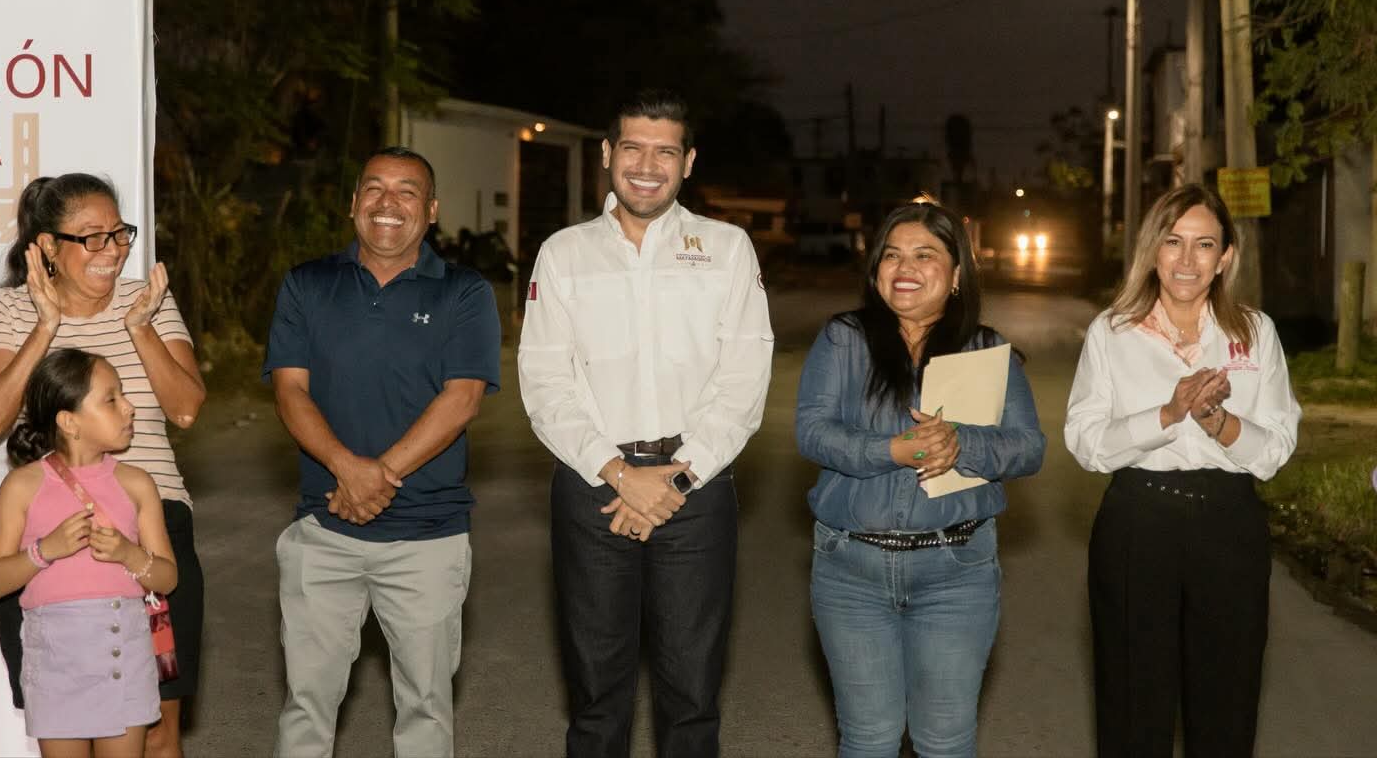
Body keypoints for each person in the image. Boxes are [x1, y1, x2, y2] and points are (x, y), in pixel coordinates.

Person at [518, 90, 774, 758]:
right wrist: (619, 474)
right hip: (592, 489)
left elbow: (743, 380)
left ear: (687, 162)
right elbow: (545, 382)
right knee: (596, 695)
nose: (647, 165)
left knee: (691, 697)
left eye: (665, 151)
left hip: (696, 489)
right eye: (632, 147)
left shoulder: (727, 248)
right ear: (608, 154)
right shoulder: (564, 253)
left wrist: (673, 481)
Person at [263, 145, 501, 758]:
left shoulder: (464, 292)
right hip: (323, 530)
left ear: (431, 210)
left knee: (425, 709)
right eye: (374, 188)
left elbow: (462, 399)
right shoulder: (307, 284)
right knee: (306, 706)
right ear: (353, 203)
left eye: (406, 191)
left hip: (428, 538)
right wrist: (348, 470)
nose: (387, 203)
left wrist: (378, 476)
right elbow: (290, 392)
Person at [795, 199, 1045, 758]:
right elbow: (812, 433)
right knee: (868, 739)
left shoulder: (986, 350)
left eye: (924, 255)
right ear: (876, 269)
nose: (904, 267)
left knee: (945, 742)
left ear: (956, 275)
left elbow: (1029, 448)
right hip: (850, 571)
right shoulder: (844, 339)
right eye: (892, 255)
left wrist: (963, 444)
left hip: (956, 573)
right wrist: (893, 450)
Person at [0, 173, 206, 758]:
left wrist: (139, 327)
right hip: (51, 537)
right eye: (91, 236)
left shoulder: (146, 300)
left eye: (119, 234)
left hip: (149, 524)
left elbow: (185, 408)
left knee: (157, 729)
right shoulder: (11, 308)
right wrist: (45, 326)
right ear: (49, 247)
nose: (112, 250)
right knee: (65, 722)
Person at [1065, 183, 1301, 756]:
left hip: (1228, 523)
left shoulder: (1254, 332)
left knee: (1227, 705)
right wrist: (1167, 414)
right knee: (1133, 705)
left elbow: (1274, 451)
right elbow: (1086, 443)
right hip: (1137, 520)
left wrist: (1217, 421)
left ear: (1225, 257)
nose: (1187, 260)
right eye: (1173, 242)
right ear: (1153, 250)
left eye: (1204, 244)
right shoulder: (1112, 333)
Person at [0, 348, 180, 758]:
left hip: (123, 653)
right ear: (69, 422)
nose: (128, 407)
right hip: (56, 663)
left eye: (123, 395)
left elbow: (168, 578)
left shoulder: (137, 483)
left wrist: (128, 554)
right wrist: (43, 551)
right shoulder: (22, 486)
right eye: (111, 399)